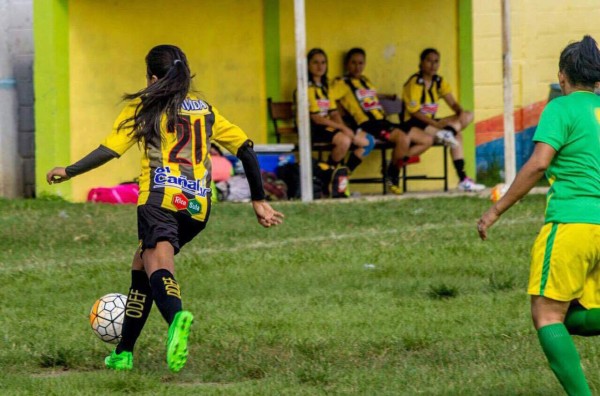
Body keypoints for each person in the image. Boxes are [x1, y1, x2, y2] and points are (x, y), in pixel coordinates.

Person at [46, 45, 284, 372]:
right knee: (141, 266)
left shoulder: (145, 108)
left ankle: (176, 318)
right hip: (198, 207)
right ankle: (124, 352)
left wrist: (69, 170)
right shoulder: (206, 110)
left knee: (158, 262)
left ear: (153, 78)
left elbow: (108, 150)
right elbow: (245, 149)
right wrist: (258, 200)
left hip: (159, 199)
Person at [477, 35, 600, 395]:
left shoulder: (560, 109)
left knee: (546, 315)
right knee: (571, 314)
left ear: (562, 77)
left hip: (572, 224)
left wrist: (495, 211)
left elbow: (539, 164)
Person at [333, 47, 433, 194]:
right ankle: (392, 174)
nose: (357, 67)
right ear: (347, 64)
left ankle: (394, 165)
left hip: (382, 121)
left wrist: (385, 97)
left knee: (427, 139)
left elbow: (370, 96)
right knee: (403, 140)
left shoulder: (365, 81)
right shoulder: (342, 83)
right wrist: (340, 111)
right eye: (353, 63)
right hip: (369, 124)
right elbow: (328, 98)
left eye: (361, 63)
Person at [402, 48, 484, 192]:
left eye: (436, 61)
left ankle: (463, 180)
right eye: (429, 61)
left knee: (468, 115)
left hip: (434, 125)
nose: (433, 65)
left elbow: (452, 103)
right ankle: (449, 135)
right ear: (421, 63)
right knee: (456, 136)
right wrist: (436, 124)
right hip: (416, 124)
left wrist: (459, 112)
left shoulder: (439, 82)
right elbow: (414, 113)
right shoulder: (414, 82)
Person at [307, 48, 373, 172]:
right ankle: (328, 173)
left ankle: (341, 173)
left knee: (366, 141)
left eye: (323, 62)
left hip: (329, 127)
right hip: (315, 128)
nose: (320, 66)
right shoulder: (306, 88)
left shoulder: (326, 87)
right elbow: (317, 118)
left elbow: (334, 112)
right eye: (315, 62)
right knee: (344, 140)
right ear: (308, 65)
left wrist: (344, 127)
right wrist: (342, 128)